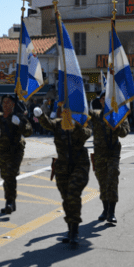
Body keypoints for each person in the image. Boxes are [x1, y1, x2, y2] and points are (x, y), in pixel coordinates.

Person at [33, 105, 92, 247]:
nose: (67, 113)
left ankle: (74, 232)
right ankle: (70, 228)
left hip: (80, 164)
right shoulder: (58, 124)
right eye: (65, 110)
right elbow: (47, 123)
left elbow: (86, 134)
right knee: (66, 197)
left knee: (73, 192)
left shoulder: (82, 124)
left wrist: (74, 126)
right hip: (62, 165)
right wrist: (40, 115)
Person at [0, 89, 33, 214]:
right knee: (6, 176)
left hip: (16, 151)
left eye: (9, 102)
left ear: (14, 105)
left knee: (10, 175)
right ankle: (11, 202)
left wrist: (20, 124)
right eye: (4, 102)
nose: (6, 104)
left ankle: (9, 202)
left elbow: (28, 131)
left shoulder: (19, 117)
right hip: (3, 151)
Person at [89, 91, 130, 223]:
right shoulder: (95, 115)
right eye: (102, 99)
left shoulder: (119, 115)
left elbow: (125, 132)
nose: (104, 101)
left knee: (112, 178)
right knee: (102, 181)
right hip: (99, 153)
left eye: (107, 99)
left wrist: (115, 124)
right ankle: (105, 209)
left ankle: (111, 212)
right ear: (100, 101)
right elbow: (82, 114)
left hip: (113, 152)